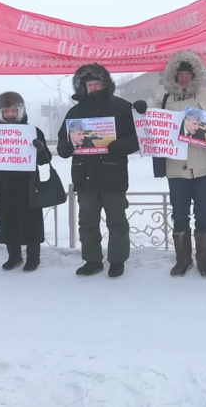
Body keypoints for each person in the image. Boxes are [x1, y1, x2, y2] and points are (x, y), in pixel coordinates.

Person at [133, 50, 206, 277]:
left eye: (188, 73)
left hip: (203, 165)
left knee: (203, 214)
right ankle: (182, 259)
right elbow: (149, 115)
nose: (184, 77)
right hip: (175, 166)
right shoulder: (164, 97)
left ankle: (204, 261)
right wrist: (140, 108)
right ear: (173, 76)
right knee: (179, 214)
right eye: (180, 74)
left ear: (194, 75)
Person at [57, 63, 139, 278]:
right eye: (89, 84)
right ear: (83, 87)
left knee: (117, 222)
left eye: (97, 83)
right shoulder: (75, 111)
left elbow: (138, 138)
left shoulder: (121, 108)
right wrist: (64, 148)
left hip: (113, 176)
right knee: (87, 223)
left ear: (106, 84)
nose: (93, 88)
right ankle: (92, 261)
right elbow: (63, 142)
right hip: (85, 178)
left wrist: (122, 145)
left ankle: (117, 261)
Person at [0, 91, 52, 272]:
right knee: (7, 219)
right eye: (6, 111)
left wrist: (40, 148)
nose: (10, 114)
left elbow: (45, 159)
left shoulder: (33, 131)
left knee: (31, 220)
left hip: (27, 183)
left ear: (20, 111)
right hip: (3, 183)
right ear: (0, 113)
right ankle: (14, 255)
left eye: (13, 111)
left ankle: (33, 257)